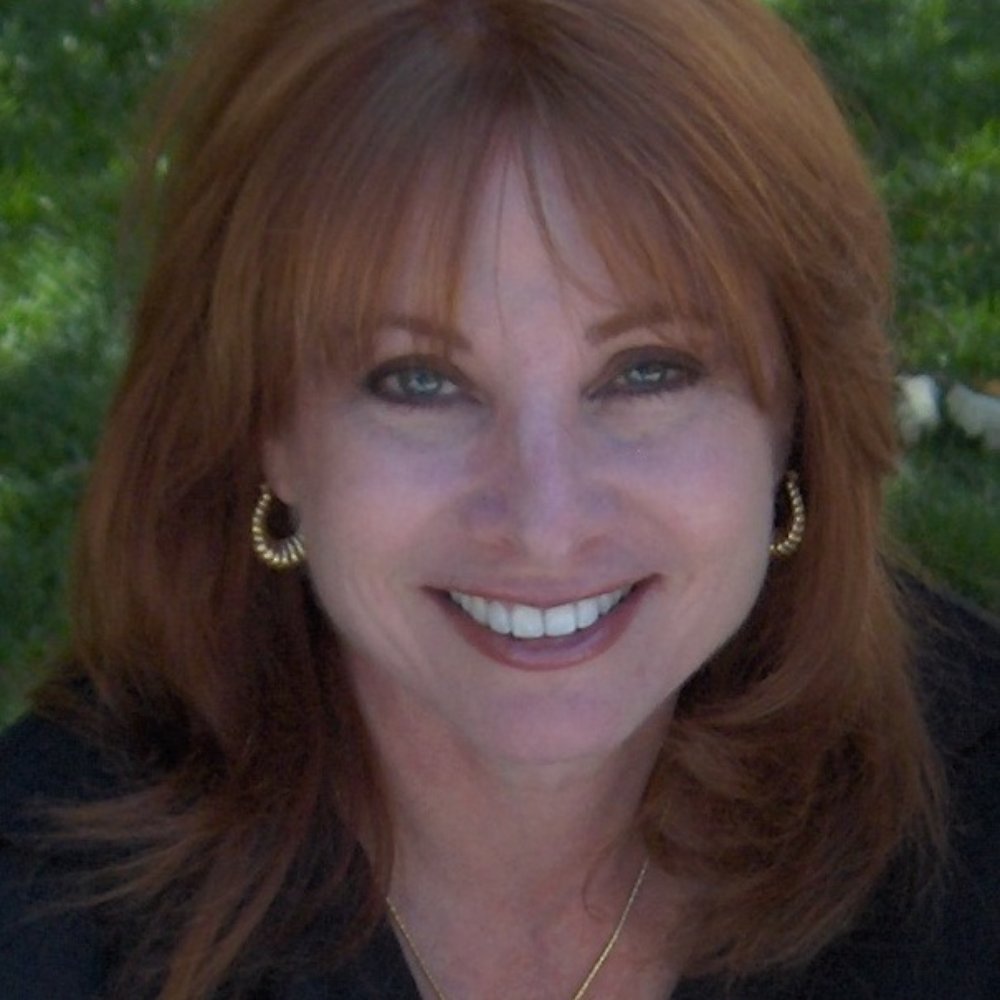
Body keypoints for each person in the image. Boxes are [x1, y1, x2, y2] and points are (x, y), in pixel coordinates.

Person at [1, 0, 998, 997]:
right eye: (419, 381)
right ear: (265, 430)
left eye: (647, 372)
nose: (543, 523)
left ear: (797, 417)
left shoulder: (974, 819)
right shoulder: (47, 910)